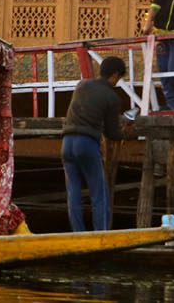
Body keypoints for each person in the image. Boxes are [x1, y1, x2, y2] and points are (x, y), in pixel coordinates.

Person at [62, 56, 128, 232]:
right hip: (86, 144)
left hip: (67, 143)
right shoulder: (112, 97)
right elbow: (111, 132)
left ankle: (78, 234)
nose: (117, 82)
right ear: (114, 75)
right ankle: (101, 235)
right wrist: (126, 133)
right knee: (99, 194)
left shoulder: (81, 85)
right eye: (119, 78)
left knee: (73, 192)